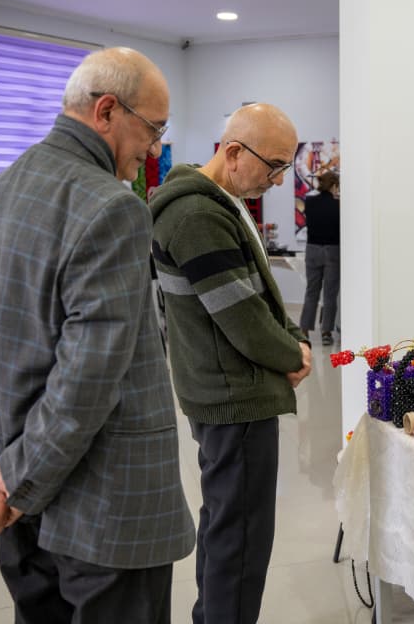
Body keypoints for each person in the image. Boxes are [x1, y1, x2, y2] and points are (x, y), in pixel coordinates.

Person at [0, 47, 194, 623]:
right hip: (106, 514)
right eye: (153, 129)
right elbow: (87, 378)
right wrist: (20, 479)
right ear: (107, 111)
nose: (155, 148)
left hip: (21, 505)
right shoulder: (113, 207)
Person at [150, 103, 312, 624]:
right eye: (274, 165)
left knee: (227, 525)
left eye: (286, 167)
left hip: (226, 390)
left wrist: (292, 337)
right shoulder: (197, 215)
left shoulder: (221, 203)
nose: (279, 179)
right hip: (233, 396)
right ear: (235, 151)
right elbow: (242, 317)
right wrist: (291, 353)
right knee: (239, 539)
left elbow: (258, 293)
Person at [299, 169, 340, 346]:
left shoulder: (309, 202)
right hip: (332, 251)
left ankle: (304, 330)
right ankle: (326, 332)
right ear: (334, 185)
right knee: (330, 294)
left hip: (312, 250)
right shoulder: (338, 205)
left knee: (311, 292)